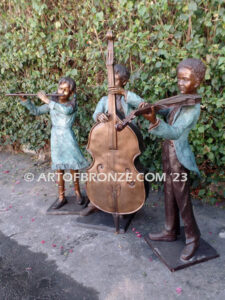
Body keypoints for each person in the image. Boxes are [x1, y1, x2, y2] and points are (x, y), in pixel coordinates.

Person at [141, 58, 206, 260]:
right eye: (179, 79)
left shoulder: (193, 107)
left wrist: (153, 121)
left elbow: (176, 132)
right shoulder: (182, 100)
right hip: (167, 154)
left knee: (182, 198)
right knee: (169, 192)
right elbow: (171, 113)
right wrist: (157, 109)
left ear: (198, 81)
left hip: (178, 156)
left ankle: (193, 237)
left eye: (185, 80)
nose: (180, 83)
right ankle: (170, 230)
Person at [80, 64, 145, 216]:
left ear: (124, 82)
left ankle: (124, 203)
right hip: (106, 143)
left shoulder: (127, 99)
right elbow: (96, 112)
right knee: (101, 171)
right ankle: (95, 201)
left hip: (125, 144)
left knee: (124, 171)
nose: (111, 85)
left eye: (115, 81)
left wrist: (125, 93)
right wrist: (98, 116)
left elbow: (142, 105)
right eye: (110, 81)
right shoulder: (104, 100)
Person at [19, 77, 89, 209]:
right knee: (59, 169)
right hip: (56, 138)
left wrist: (46, 99)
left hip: (68, 137)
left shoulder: (71, 104)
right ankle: (61, 196)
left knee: (73, 167)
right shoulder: (52, 104)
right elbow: (37, 111)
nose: (61, 92)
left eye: (65, 90)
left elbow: (65, 111)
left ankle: (78, 192)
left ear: (71, 93)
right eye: (60, 88)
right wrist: (25, 100)